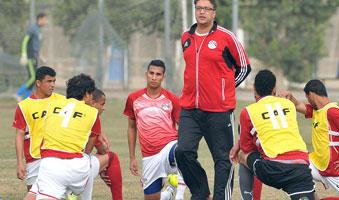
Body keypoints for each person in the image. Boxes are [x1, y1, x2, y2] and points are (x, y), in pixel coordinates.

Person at [175, 0, 251, 199]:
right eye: (198, 8)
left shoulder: (227, 37)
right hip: (190, 109)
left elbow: (244, 68)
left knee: (223, 159)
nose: (202, 12)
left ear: (214, 12)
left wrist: (223, 90)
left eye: (206, 9)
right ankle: (200, 193)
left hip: (219, 110)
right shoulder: (186, 37)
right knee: (182, 152)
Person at [230, 70, 315, 200]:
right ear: (275, 88)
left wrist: (240, 144)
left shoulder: (248, 111)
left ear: (254, 88)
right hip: (301, 166)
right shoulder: (289, 105)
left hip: (273, 169)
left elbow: (247, 148)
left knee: (242, 154)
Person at [278, 80, 339, 200]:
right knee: (296, 165)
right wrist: (291, 97)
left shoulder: (332, 111)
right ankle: (309, 195)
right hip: (319, 165)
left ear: (311, 94)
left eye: (307, 97)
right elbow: (299, 106)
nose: (308, 100)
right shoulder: (317, 110)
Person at [22, 73, 106, 200]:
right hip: (77, 168)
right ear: (87, 94)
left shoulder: (51, 106)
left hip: (49, 165)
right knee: (108, 157)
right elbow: (88, 150)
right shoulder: (93, 113)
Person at [124, 60, 186, 200]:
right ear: (146, 74)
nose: (154, 77)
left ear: (163, 77)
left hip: (169, 147)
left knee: (182, 152)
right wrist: (132, 157)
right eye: (151, 73)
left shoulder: (172, 99)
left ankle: (179, 195)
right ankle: (167, 195)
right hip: (149, 157)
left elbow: (183, 127)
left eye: (158, 74)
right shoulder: (133, 98)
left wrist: (186, 146)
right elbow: (131, 128)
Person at [13, 66, 65, 192]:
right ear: (38, 82)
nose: (52, 85)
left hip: (57, 155)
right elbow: (19, 135)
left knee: (59, 192)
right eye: (49, 81)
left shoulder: (62, 101)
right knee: (33, 193)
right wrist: (20, 162)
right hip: (35, 157)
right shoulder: (24, 106)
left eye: (54, 81)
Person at [81, 89, 123, 200]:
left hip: (53, 162)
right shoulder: (92, 115)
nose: (104, 108)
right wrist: (98, 138)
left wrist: (99, 134)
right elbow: (99, 150)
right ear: (93, 103)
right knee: (111, 157)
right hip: (79, 166)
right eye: (102, 104)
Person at [15, 13, 48, 101]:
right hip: (30, 57)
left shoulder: (39, 30)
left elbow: (37, 45)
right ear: (40, 19)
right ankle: (18, 94)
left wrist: (41, 56)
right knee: (33, 77)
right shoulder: (32, 28)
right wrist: (24, 54)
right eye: (45, 19)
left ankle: (26, 100)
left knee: (33, 80)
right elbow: (25, 41)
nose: (46, 21)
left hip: (35, 57)